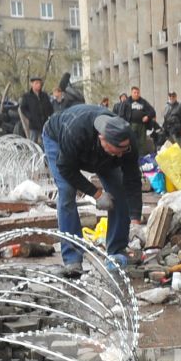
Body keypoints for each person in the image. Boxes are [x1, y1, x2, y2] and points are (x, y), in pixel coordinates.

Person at [41, 106, 142, 273]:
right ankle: (72, 259)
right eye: (117, 152)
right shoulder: (75, 132)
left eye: (124, 151)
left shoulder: (125, 141)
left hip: (98, 153)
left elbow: (132, 179)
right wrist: (96, 194)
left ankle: (117, 250)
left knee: (118, 189)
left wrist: (135, 217)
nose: (121, 156)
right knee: (67, 192)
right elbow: (66, 169)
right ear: (103, 139)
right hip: (57, 140)